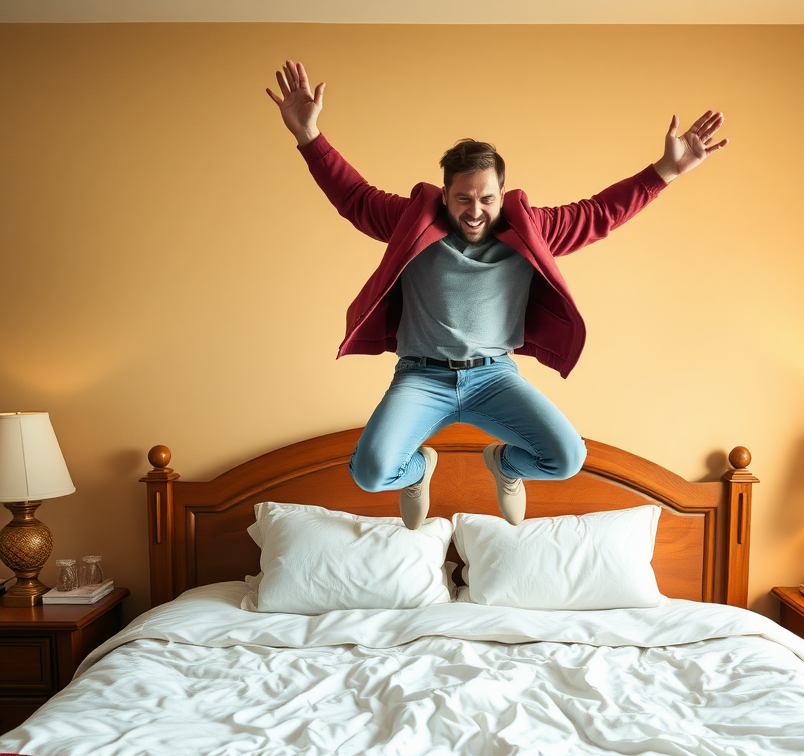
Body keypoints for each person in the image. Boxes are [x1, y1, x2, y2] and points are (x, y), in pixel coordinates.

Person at [267, 60, 727, 529]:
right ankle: (419, 469)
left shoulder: (531, 229)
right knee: (370, 472)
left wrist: (666, 170)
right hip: (422, 378)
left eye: (486, 199)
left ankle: (504, 465)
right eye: (463, 198)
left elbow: (599, 213)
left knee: (566, 458)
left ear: (502, 194)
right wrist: (310, 137)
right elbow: (355, 197)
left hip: (493, 378)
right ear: (445, 194)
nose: (475, 211)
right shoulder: (413, 221)